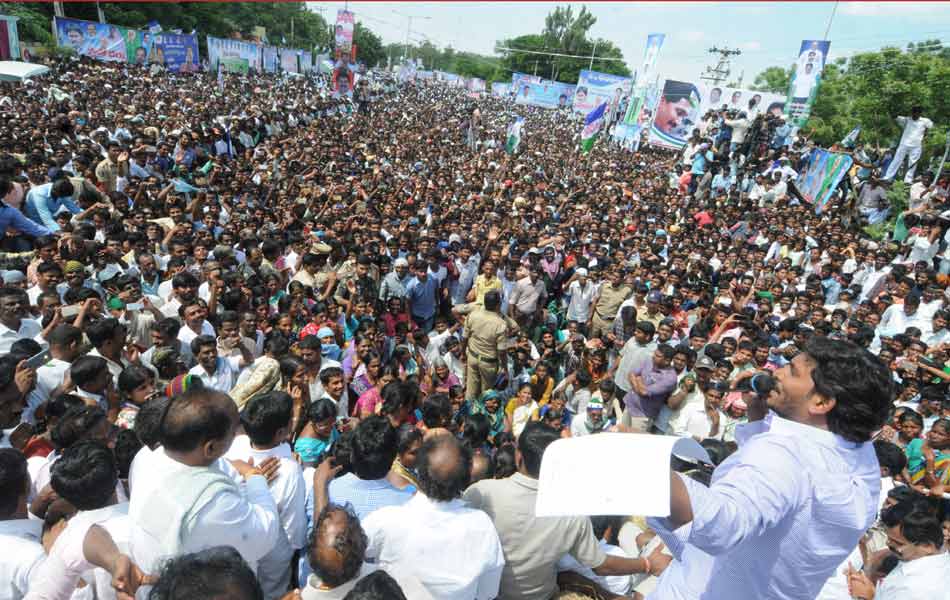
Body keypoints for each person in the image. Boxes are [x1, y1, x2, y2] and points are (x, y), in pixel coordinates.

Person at [650, 337, 894, 599]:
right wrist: (758, 419)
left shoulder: (786, 455)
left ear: (821, 402)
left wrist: (638, 462)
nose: (776, 372)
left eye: (792, 371)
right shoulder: (863, 460)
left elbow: (719, 525)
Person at [464, 421, 666, 600]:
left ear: (518, 456)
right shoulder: (571, 513)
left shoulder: (480, 493)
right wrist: (646, 564)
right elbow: (602, 565)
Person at [128, 387, 281, 585]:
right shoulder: (212, 502)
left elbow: (217, 466)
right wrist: (255, 478)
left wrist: (236, 469)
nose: (238, 434)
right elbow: (263, 535)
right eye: (234, 430)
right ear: (210, 448)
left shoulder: (147, 457)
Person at [362, 435, 505, 599]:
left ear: (419, 472)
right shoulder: (482, 525)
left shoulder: (385, 521)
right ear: (465, 479)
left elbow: (342, 560)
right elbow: (487, 593)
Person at [225, 390, 307, 599]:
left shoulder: (235, 447)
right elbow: (294, 525)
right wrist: (294, 548)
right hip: (274, 547)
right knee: (272, 592)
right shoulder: (288, 470)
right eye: (291, 419)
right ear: (281, 432)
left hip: (236, 541)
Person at [846, 497, 950, 600]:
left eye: (897, 543)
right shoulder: (937, 559)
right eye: (889, 538)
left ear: (927, 546)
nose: (888, 543)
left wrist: (869, 597)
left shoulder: (914, 589)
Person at [463, 290, 509, 402]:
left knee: (470, 392)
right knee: (486, 395)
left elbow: (464, 337)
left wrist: (463, 354)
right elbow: (502, 351)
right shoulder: (501, 324)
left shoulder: (473, 315)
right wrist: (505, 368)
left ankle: (467, 415)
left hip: (472, 357)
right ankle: (481, 416)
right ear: (498, 304)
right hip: (488, 363)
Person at [883, 106, 934, 184]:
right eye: (913, 113)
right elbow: (895, 116)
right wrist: (896, 108)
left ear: (920, 113)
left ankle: (908, 180)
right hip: (904, 144)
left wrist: (925, 136)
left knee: (913, 163)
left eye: (916, 113)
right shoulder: (907, 119)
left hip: (916, 146)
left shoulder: (925, 121)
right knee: (896, 160)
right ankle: (888, 177)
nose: (914, 115)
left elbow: (931, 128)